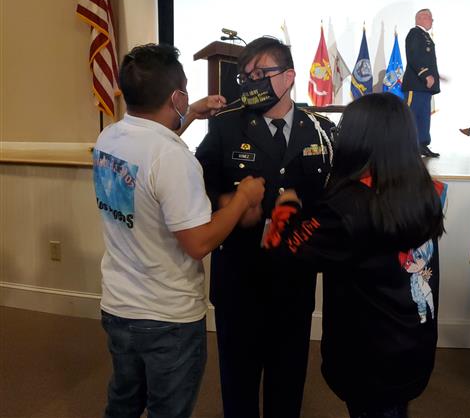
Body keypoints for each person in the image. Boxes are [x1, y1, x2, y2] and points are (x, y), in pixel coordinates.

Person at [92, 43, 265, 418]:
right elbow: (198, 242)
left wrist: (192, 114)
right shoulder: (174, 159)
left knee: (123, 403)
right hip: (166, 318)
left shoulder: (110, 137)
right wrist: (242, 199)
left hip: (119, 307)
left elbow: (153, 153)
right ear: (177, 97)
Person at [264, 93, 446, 418]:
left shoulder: (350, 206)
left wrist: (287, 206)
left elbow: (286, 250)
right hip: (412, 345)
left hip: (370, 360)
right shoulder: (424, 189)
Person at [195, 36, 334, 418]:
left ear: (289, 76)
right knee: (238, 386)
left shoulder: (320, 130)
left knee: (287, 386)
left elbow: (331, 199)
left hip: (293, 280)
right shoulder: (225, 127)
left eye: (260, 73)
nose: (250, 82)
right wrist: (227, 202)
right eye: (245, 76)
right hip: (240, 279)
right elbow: (197, 183)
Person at [402, 8, 441, 158]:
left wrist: (436, 76)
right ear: (420, 18)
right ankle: (407, 147)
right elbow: (413, 56)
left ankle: (422, 145)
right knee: (411, 116)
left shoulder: (424, 35)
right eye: (429, 17)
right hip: (415, 84)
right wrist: (425, 74)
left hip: (424, 87)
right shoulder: (415, 33)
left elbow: (426, 59)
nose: (432, 20)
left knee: (424, 117)